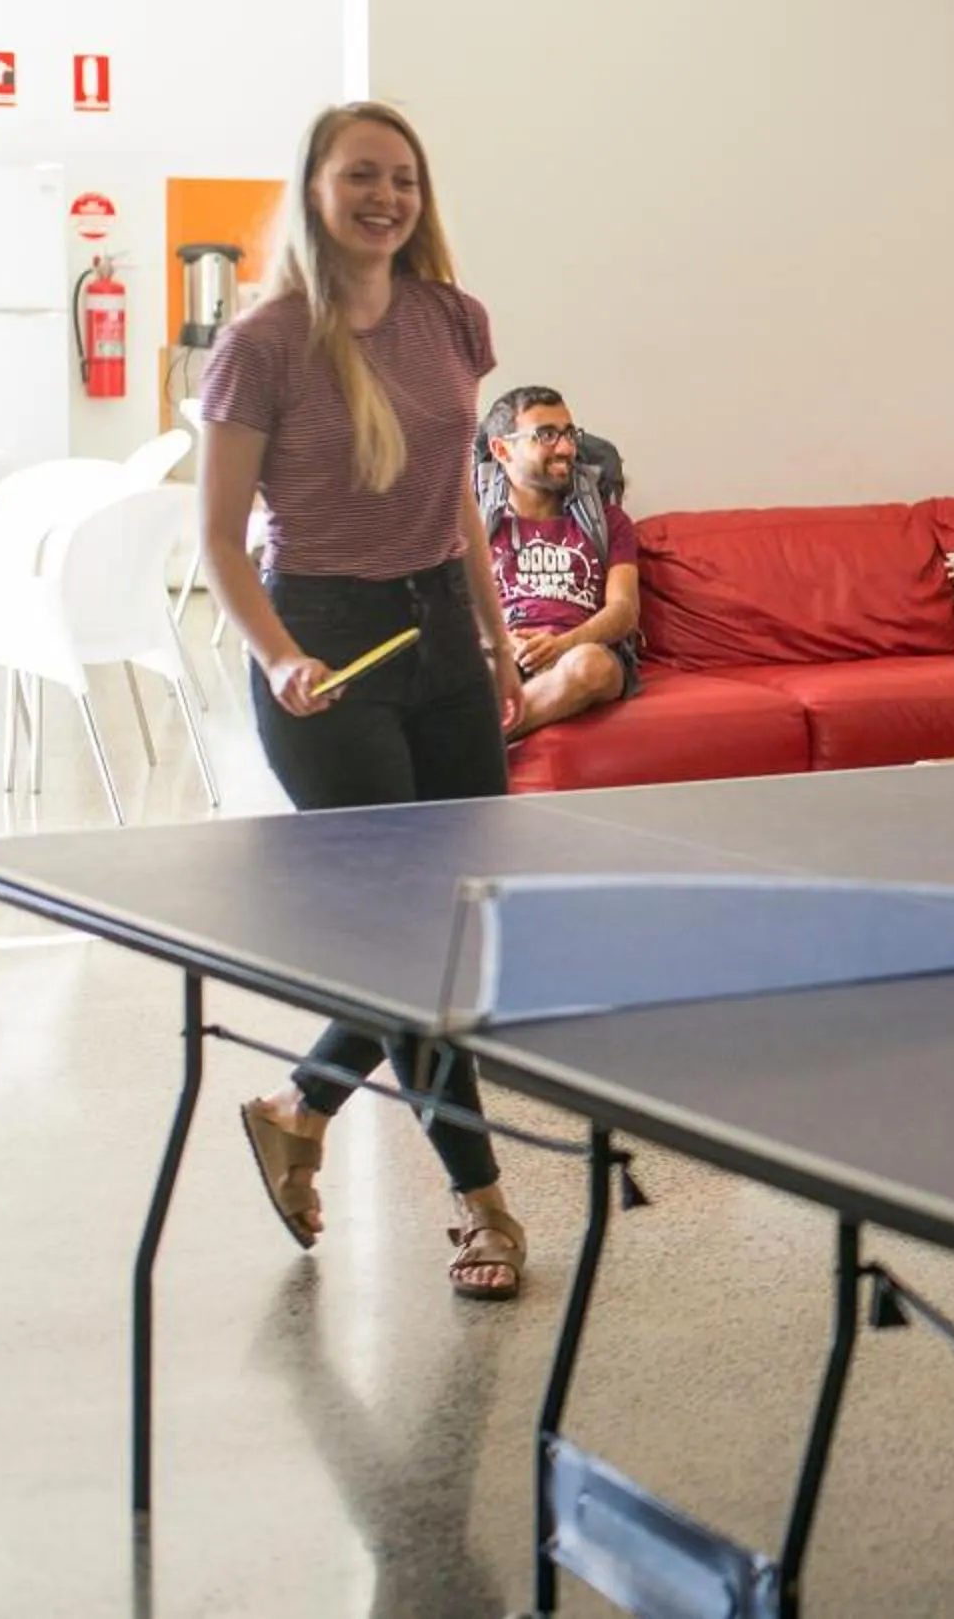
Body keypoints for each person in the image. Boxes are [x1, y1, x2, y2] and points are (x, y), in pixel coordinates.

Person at [198, 100, 533, 1302]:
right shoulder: (265, 342)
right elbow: (219, 541)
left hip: (441, 633)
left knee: (458, 932)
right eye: (360, 176)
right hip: (328, 647)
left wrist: (496, 639)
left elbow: (456, 503)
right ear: (315, 188)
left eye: (402, 178)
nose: (385, 197)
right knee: (407, 940)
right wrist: (281, 655)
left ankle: (299, 1106)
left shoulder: (452, 319)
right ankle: (483, 1204)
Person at [478, 385, 639, 738]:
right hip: (502, 652)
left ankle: (477, 744)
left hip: (580, 651)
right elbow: (452, 605)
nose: (566, 448)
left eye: (568, 434)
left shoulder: (609, 521)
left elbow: (625, 610)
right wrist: (502, 642)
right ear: (502, 449)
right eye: (546, 435)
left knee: (590, 667)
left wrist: (564, 644)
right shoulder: (475, 526)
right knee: (469, 673)